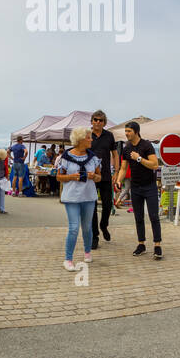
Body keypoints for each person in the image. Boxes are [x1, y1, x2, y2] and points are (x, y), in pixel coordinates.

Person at [56, 127, 100, 271]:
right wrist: (70, 177)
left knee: (87, 227)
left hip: (88, 197)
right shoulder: (66, 157)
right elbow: (59, 177)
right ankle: (68, 259)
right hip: (72, 198)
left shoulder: (93, 157)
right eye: (89, 137)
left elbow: (100, 177)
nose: (91, 139)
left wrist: (94, 176)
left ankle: (87, 252)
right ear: (80, 139)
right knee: (74, 228)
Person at [87, 111, 119, 246]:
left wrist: (116, 172)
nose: (98, 122)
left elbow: (115, 154)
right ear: (92, 121)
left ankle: (103, 225)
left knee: (107, 205)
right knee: (92, 208)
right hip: (91, 177)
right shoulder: (87, 135)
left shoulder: (109, 136)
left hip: (105, 175)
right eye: (95, 120)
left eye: (101, 120)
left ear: (104, 122)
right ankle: (95, 236)